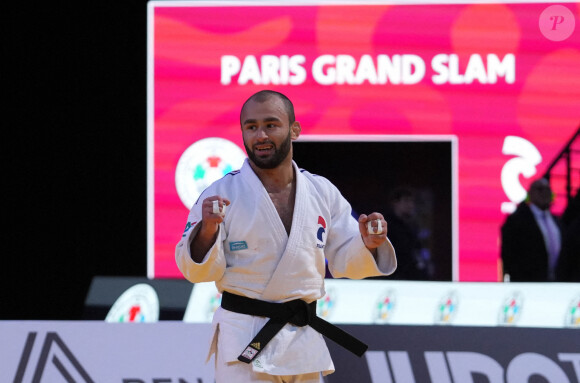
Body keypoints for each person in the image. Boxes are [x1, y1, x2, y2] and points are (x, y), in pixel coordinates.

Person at [175, 90, 397, 382]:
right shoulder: (220, 194)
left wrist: (368, 244)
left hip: (302, 342)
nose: (260, 135)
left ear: (295, 130)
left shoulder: (321, 191)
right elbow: (196, 271)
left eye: (271, 124)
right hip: (244, 340)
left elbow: (344, 258)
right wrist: (207, 230)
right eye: (251, 127)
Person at [501, 177, 562, 282]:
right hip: (529, 282)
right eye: (540, 189)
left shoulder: (557, 221)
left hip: (556, 283)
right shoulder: (517, 221)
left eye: (547, 189)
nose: (544, 193)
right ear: (530, 194)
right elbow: (509, 254)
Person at [384, 187, 431, 280]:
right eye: (406, 201)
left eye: (412, 202)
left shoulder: (410, 227)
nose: (410, 205)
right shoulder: (386, 226)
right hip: (393, 277)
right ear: (395, 203)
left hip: (410, 277)